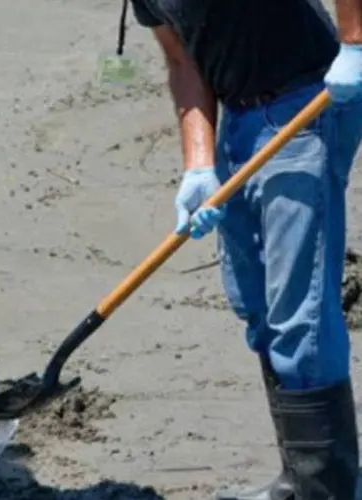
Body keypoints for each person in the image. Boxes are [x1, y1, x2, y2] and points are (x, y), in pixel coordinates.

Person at [127, 0, 362, 498]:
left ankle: (332, 488)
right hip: (235, 120)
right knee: (254, 307)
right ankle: (299, 478)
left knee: (299, 319)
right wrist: (198, 164)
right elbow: (181, 61)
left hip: (307, 100)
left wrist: (355, 43)